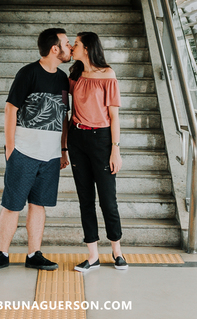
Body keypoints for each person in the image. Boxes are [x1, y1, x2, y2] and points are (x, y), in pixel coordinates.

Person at [0, 28, 72, 273]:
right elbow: (10, 109)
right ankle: (2, 253)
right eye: (66, 43)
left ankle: (34, 254)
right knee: (12, 205)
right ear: (55, 48)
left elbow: (63, 115)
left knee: (39, 204)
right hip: (24, 152)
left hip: (51, 155)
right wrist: (11, 148)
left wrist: (63, 149)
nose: (70, 47)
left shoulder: (63, 79)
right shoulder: (28, 73)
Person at [67, 31, 127, 272]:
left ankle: (117, 252)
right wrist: (64, 146)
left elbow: (114, 116)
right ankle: (92, 256)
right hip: (77, 138)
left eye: (77, 43)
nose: (72, 46)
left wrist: (116, 150)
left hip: (101, 139)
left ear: (88, 48)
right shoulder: (73, 75)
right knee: (85, 200)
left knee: (108, 200)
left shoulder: (107, 75)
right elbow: (66, 111)